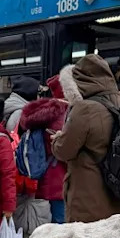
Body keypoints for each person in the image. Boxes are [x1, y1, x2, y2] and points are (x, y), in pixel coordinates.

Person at [52, 55, 120, 223]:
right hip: (117, 193)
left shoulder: (85, 109)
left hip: (88, 196)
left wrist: (57, 139)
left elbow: (64, 150)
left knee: (85, 237)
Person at [19, 96, 69, 224]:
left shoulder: (41, 120)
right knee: (60, 223)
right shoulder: (61, 118)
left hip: (41, 177)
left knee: (45, 223)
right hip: (59, 179)